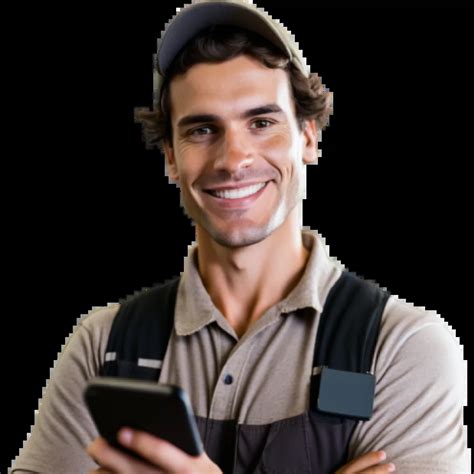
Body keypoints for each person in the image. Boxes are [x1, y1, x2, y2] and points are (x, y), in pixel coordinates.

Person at [10, 1, 470, 473]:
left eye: (262, 123)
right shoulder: (103, 347)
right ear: (171, 157)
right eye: (202, 129)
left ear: (308, 137)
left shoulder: (400, 347)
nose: (233, 159)